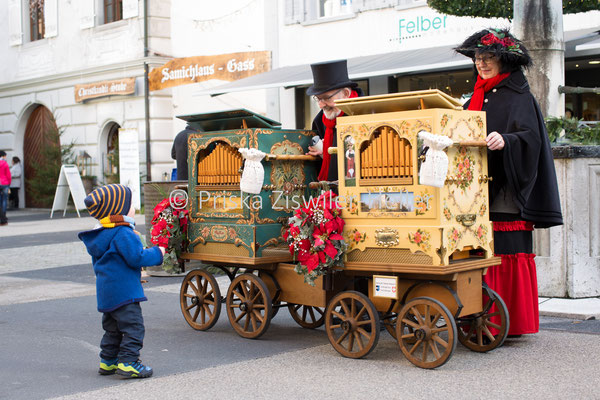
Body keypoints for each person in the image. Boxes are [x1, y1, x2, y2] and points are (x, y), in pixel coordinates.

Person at [455, 28, 563, 337]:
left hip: (506, 191)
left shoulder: (520, 96)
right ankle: (477, 317)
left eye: (489, 58)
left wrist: (507, 139)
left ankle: (508, 322)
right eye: (478, 58)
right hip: (474, 190)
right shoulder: (474, 97)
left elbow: (531, 138)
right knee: (476, 252)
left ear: (504, 61)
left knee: (505, 251)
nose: (483, 64)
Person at [78, 184, 165, 378]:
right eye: (131, 204)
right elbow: (137, 257)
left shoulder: (100, 234)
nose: (133, 208)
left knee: (113, 329)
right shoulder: (123, 233)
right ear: (119, 210)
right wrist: (158, 252)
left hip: (106, 292)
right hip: (125, 292)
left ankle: (108, 361)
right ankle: (129, 362)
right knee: (134, 327)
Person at [306, 60, 363, 182]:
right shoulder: (319, 121)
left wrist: (330, 152)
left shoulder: (364, 114)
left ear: (346, 94)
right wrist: (323, 154)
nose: (321, 105)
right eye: (318, 99)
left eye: (326, 98)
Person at [0, 151, 11, 226]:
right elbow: (8, 175)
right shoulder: (4, 163)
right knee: (4, 200)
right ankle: (3, 217)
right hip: (5, 183)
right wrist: (9, 183)